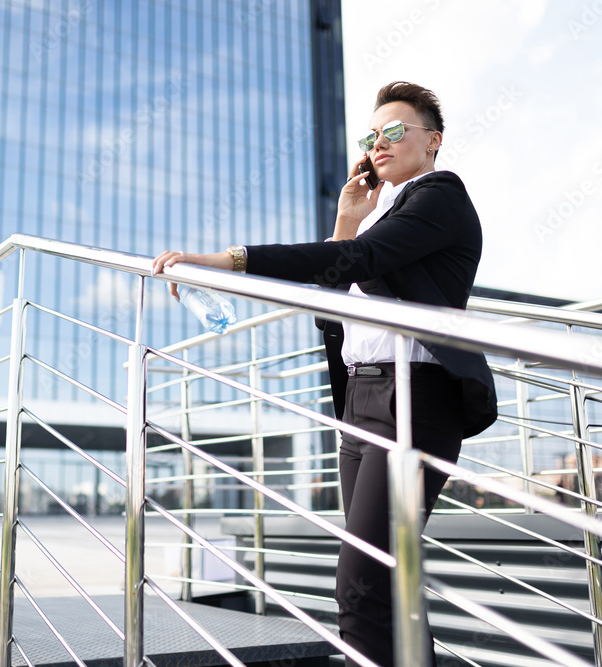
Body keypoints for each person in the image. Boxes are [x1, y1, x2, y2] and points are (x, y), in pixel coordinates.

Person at [152, 81, 498, 667]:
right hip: (362, 400)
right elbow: (336, 289)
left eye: (394, 131)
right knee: (390, 582)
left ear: (432, 141)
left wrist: (226, 260)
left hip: (413, 399)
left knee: (360, 588)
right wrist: (346, 220)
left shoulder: (440, 196)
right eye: (371, 136)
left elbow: (359, 261)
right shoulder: (383, 218)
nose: (378, 143)